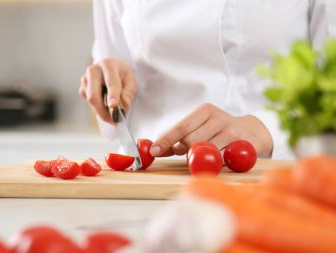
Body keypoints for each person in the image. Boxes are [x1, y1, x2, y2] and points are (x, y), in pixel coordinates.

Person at [79, 1, 336, 160]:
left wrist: (268, 129)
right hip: (151, 176)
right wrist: (109, 81)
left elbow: (330, 88)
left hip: (274, 172)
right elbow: (114, 60)